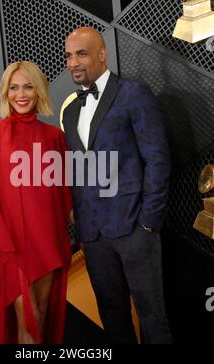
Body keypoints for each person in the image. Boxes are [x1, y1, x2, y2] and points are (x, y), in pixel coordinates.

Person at [61, 27, 172, 344]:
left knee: (153, 319)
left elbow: (157, 158)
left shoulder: (133, 94)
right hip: (93, 236)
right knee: (112, 318)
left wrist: (149, 221)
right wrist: (79, 223)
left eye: (81, 53)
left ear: (101, 54)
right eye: (68, 55)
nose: (73, 62)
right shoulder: (70, 111)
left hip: (135, 228)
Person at [0, 61, 72, 344]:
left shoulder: (55, 138)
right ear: (5, 92)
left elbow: (65, 195)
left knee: (43, 315)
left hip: (46, 241)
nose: (20, 95)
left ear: (38, 91)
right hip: (9, 246)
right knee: (30, 319)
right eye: (13, 88)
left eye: (28, 87)